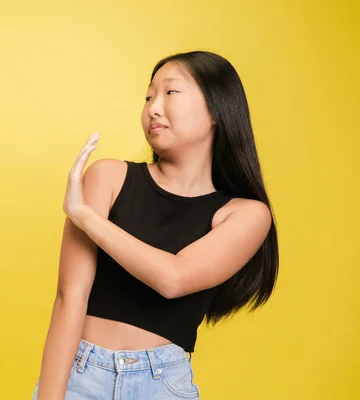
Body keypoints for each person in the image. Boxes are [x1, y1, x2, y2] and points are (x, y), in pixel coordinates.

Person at [32, 50, 279, 400]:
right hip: (80, 375)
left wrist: (85, 217)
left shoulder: (246, 214)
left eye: (170, 93)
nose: (153, 108)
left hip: (162, 384)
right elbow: (70, 297)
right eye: (149, 96)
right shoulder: (108, 177)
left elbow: (173, 278)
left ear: (216, 109)